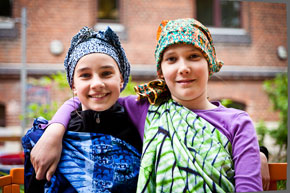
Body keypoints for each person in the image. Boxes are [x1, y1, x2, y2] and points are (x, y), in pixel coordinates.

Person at [31, 18, 265, 192]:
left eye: (194, 56)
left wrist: (259, 154)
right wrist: (54, 130)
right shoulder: (147, 107)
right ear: (161, 70)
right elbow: (83, 99)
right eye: (172, 59)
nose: (183, 68)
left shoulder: (237, 122)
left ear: (210, 63)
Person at [22, 26, 142, 193]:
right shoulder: (49, 141)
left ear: (121, 80)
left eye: (106, 73)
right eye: (85, 75)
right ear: (74, 85)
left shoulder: (139, 127)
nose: (97, 83)